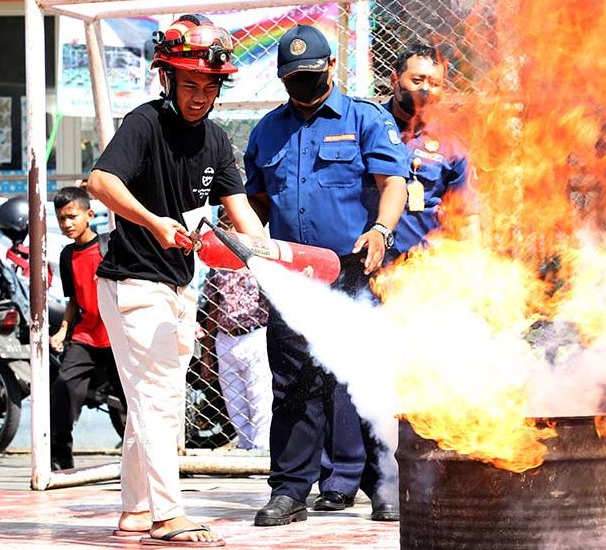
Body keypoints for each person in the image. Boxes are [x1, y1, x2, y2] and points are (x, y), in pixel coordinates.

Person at [86, 14, 266, 546]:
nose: (200, 96)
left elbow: (243, 216)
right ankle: (169, 515)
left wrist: (268, 256)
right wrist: (154, 222)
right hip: (133, 283)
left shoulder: (215, 140)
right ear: (165, 78)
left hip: (179, 286)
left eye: (210, 86)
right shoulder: (143, 124)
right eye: (190, 84)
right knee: (160, 399)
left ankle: (136, 511)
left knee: (151, 396)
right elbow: (100, 180)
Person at [244, 24, 409, 527]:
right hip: (293, 275)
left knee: (367, 380)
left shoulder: (364, 119)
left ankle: (385, 487)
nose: (303, 87)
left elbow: (394, 182)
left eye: (311, 77)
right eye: (293, 80)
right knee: (294, 383)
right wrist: (249, 248)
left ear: (332, 68)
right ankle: (291, 490)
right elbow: (252, 201)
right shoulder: (267, 130)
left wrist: (381, 229)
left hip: (354, 271)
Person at [49, 185, 125, 472]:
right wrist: (63, 330)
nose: (67, 224)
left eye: (72, 216)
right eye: (61, 219)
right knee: (63, 388)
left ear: (89, 214)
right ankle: (60, 461)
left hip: (116, 337)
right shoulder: (67, 255)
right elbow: (73, 300)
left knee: (131, 400)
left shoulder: (108, 246)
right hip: (85, 336)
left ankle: (140, 463)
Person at [384, 42, 480, 258]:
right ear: (394, 80)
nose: (425, 89)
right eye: (416, 80)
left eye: (434, 83)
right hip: (363, 259)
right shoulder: (367, 125)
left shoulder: (452, 147)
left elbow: (466, 218)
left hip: (417, 267)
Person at [200, 208, 273, 450]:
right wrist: (208, 352)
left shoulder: (260, 262)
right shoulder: (217, 265)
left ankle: (262, 451)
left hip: (254, 333)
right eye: (223, 227)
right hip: (225, 337)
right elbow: (212, 306)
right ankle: (245, 445)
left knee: (259, 397)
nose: (228, 233)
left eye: (232, 226)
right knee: (234, 399)